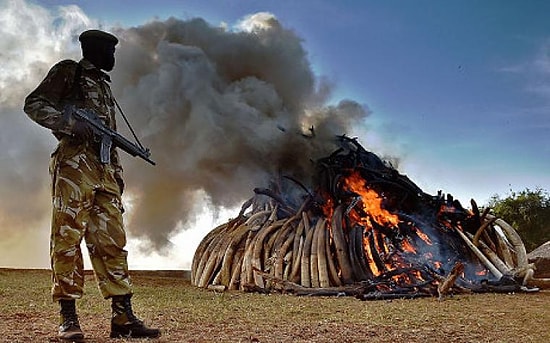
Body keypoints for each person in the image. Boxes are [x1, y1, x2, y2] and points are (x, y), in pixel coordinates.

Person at [24, 29, 160, 340]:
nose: (113, 58)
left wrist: (116, 174)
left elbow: (108, 138)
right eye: (110, 51)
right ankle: (68, 318)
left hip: (104, 170)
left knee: (113, 241)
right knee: (67, 238)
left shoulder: (103, 85)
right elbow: (34, 104)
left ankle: (122, 317)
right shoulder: (69, 71)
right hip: (73, 166)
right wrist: (70, 124)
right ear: (95, 50)